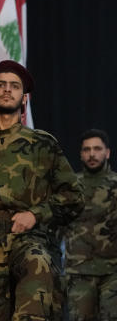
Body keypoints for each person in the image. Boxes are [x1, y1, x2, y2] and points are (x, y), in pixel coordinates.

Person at [0, 60, 83, 321]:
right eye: (0, 85)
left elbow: (74, 197)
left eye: (14, 86)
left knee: (37, 266)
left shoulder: (42, 143)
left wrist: (36, 214)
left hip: (29, 241)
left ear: (24, 98)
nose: (7, 90)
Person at [63, 129, 117, 320]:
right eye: (87, 149)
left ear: (107, 152)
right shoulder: (70, 187)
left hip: (113, 272)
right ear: (80, 154)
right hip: (79, 272)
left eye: (97, 149)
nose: (92, 154)